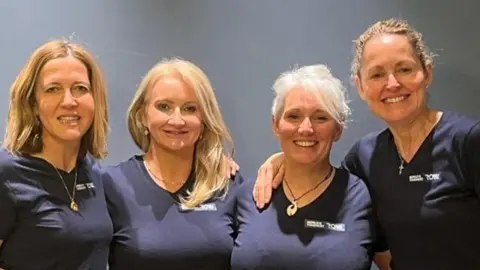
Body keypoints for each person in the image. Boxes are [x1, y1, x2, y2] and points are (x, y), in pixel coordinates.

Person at [253, 18, 480, 270]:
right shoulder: (365, 157)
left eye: (404, 69)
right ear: (360, 86)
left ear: (427, 73)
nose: (392, 84)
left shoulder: (468, 141)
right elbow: (317, 173)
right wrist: (281, 160)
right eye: (377, 74)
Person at [231, 64, 374, 269]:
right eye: (293, 116)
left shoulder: (359, 196)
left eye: (320, 117)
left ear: (338, 129)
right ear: (276, 125)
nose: (306, 129)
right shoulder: (247, 195)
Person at [104, 58, 242, 270]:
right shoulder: (113, 185)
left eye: (189, 108)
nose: (177, 120)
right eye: (164, 107)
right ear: (143, 115)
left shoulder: (227, 183)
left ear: (204, 119)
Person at [0, 40, 112, 269]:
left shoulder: (97, 174)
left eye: (81, 88)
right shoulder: (7, 173)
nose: (69, 101)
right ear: (32, 103)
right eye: (53, 89)